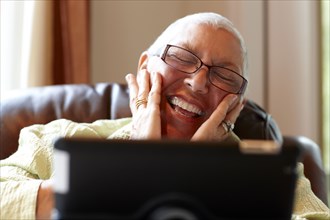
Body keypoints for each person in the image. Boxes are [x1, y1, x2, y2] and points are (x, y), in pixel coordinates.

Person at [0, 12, 329, 220]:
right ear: (145, 67)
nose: (198, 82)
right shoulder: (53, 139)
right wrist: (134, 166)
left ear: (236, 105)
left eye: (224, 75)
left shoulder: (276, 175)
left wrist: (197, 172)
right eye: (183, 57)